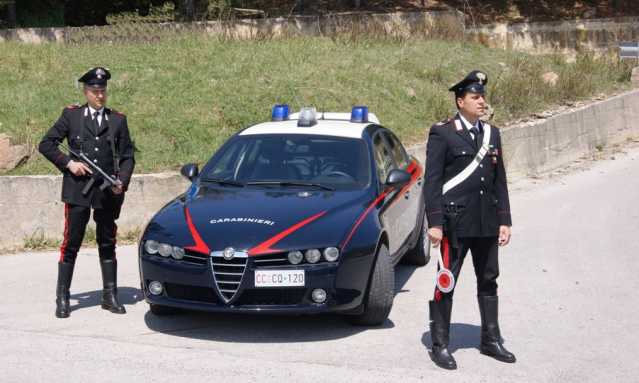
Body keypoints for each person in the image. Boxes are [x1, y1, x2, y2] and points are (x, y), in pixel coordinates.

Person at [423, 70, 516, 369]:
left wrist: (505, 219)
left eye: (483, 96)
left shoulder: (493, 133)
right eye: (475, 97)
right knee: (446, 282)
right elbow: (432, 181)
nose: (481, 101)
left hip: (486, 221)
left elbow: (499, 179)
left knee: (489, 281)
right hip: (454, 222)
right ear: (460, 101)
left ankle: (490, 340)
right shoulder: (443, 132)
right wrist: (434, 223)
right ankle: (440, 344)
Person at [38, 67, 135, 318]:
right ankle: (63, 297)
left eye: (103, 91)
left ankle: (110, 295)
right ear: (86, 91)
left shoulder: (117, 120)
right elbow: (46, 144)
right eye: (94, 91)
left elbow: (127, 156)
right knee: (72, 242)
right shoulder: (72, 116)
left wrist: (121, 181)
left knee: (107, 241)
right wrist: (69, 163)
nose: (100, 96)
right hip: (78, 190)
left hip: (106, 191)